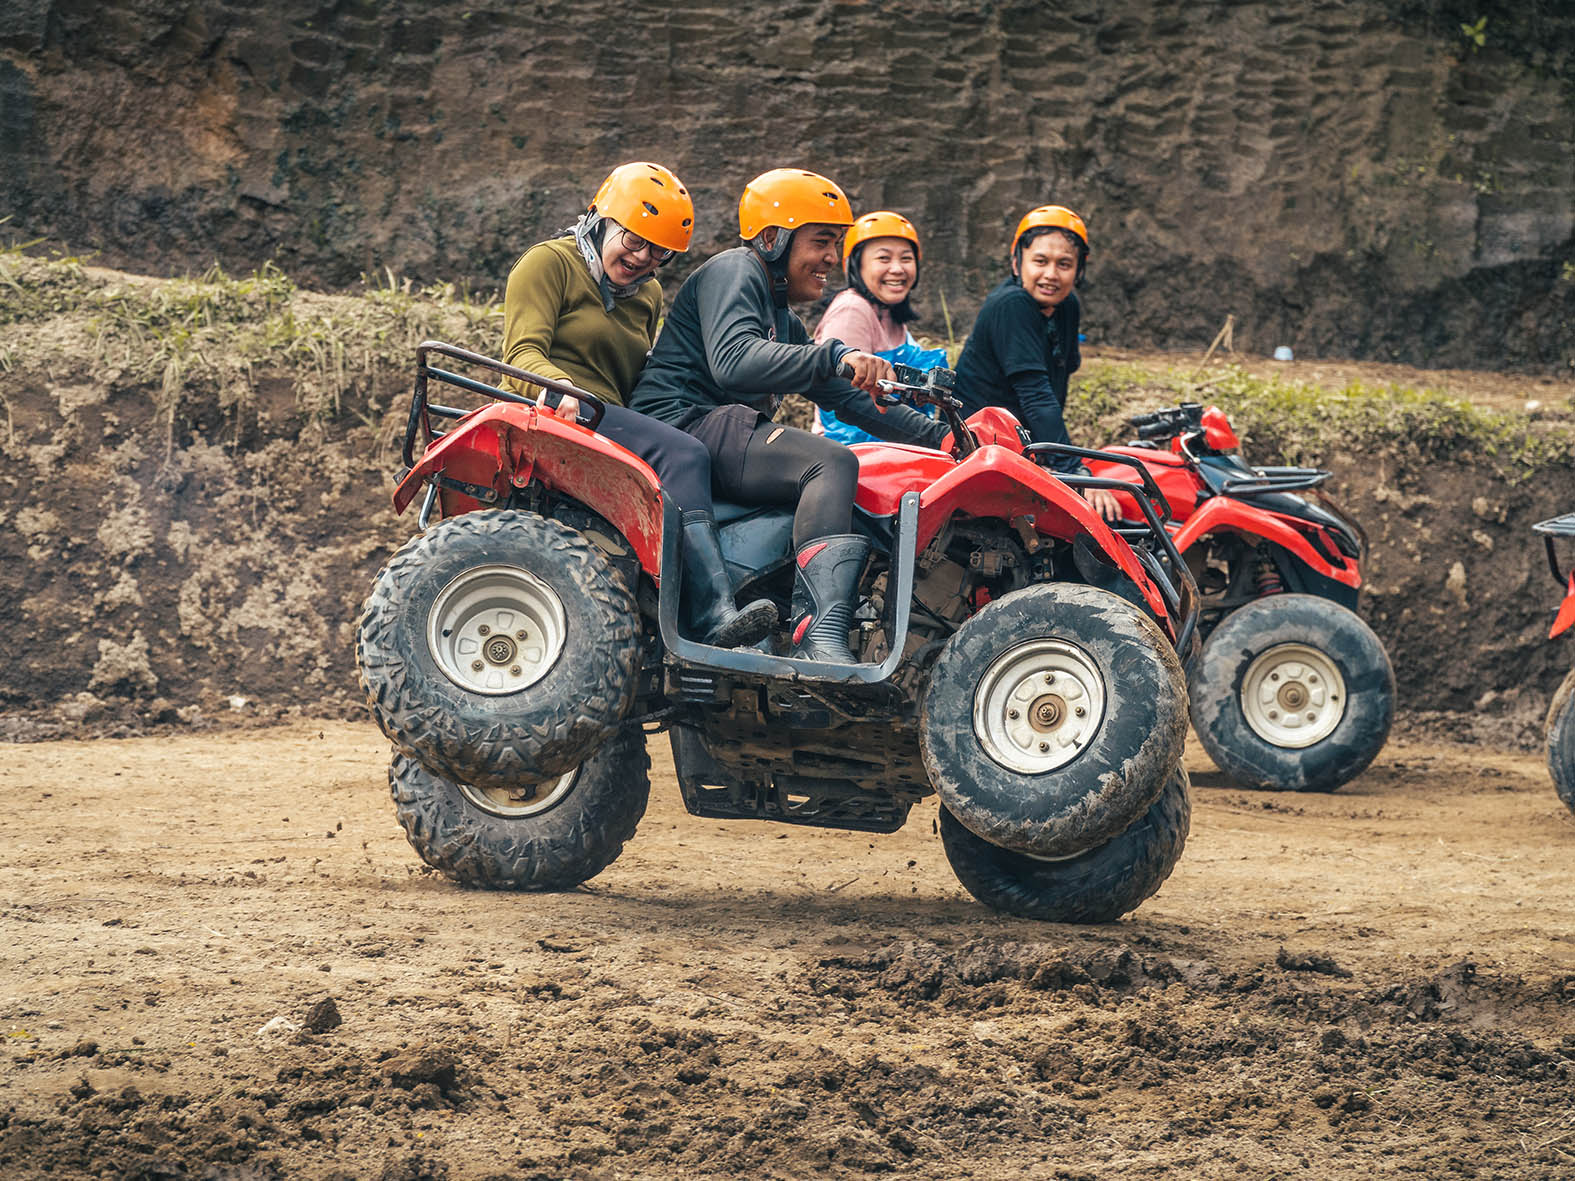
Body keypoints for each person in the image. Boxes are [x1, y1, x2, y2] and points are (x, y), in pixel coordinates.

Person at [630, 169, 951, 662]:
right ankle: (819, 634)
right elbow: (734, 361)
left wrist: (945, 441)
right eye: (821, 241)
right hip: (681, 423)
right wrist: (836, 354)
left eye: (836, 244)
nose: (831, 258)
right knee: (831, 462)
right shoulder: (736, 269)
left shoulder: (785, 321)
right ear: (774, 238)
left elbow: (850, 401)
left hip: (722, 430)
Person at [502, 161, 775, 648]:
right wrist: (557, 386)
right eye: (633, 240)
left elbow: (642, 371)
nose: (643, 257)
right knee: (686, 453)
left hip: (614, 416)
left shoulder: (646, 294)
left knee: (706, 448)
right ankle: (711, 611)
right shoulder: (549, 263)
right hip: (566, 412)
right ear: (601, 219)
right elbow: (521, 353)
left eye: (659, 252)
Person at [953, 204, 1120, 521]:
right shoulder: (1011, 305)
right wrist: (1075, 470)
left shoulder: (1067, 305)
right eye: (1040, 262)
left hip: (1025, 443)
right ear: (1017, 263)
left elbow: (1059, 382)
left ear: (1079, 270)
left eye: (1064, 264)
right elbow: (1036, 394)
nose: (1051, 275)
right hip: (980, 447)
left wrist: (1052, 454)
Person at [811, 211, 948, 444]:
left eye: (906, 258)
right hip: (853, 449)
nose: (897, 269)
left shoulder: (890, 312)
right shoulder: (852, 310)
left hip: (891, 440)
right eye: (884, 259)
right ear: (855, 266)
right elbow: (847, 403)